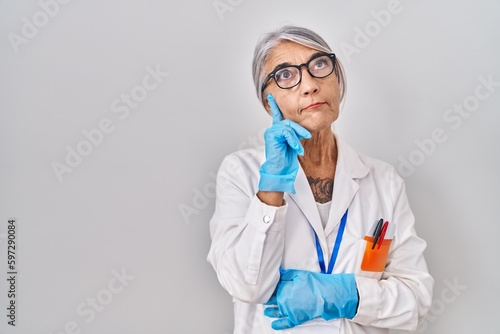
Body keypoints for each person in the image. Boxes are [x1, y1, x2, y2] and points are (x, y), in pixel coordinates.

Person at [207, 25, 433, 333]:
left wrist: (346, 295)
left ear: (337, 80)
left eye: (319, 65)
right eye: (285, 75)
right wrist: (271, 186)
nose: (310, 85)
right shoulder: (241, 173)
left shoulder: (384, 180)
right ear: (266, 101)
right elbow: (248, 287)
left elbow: (416, 301)